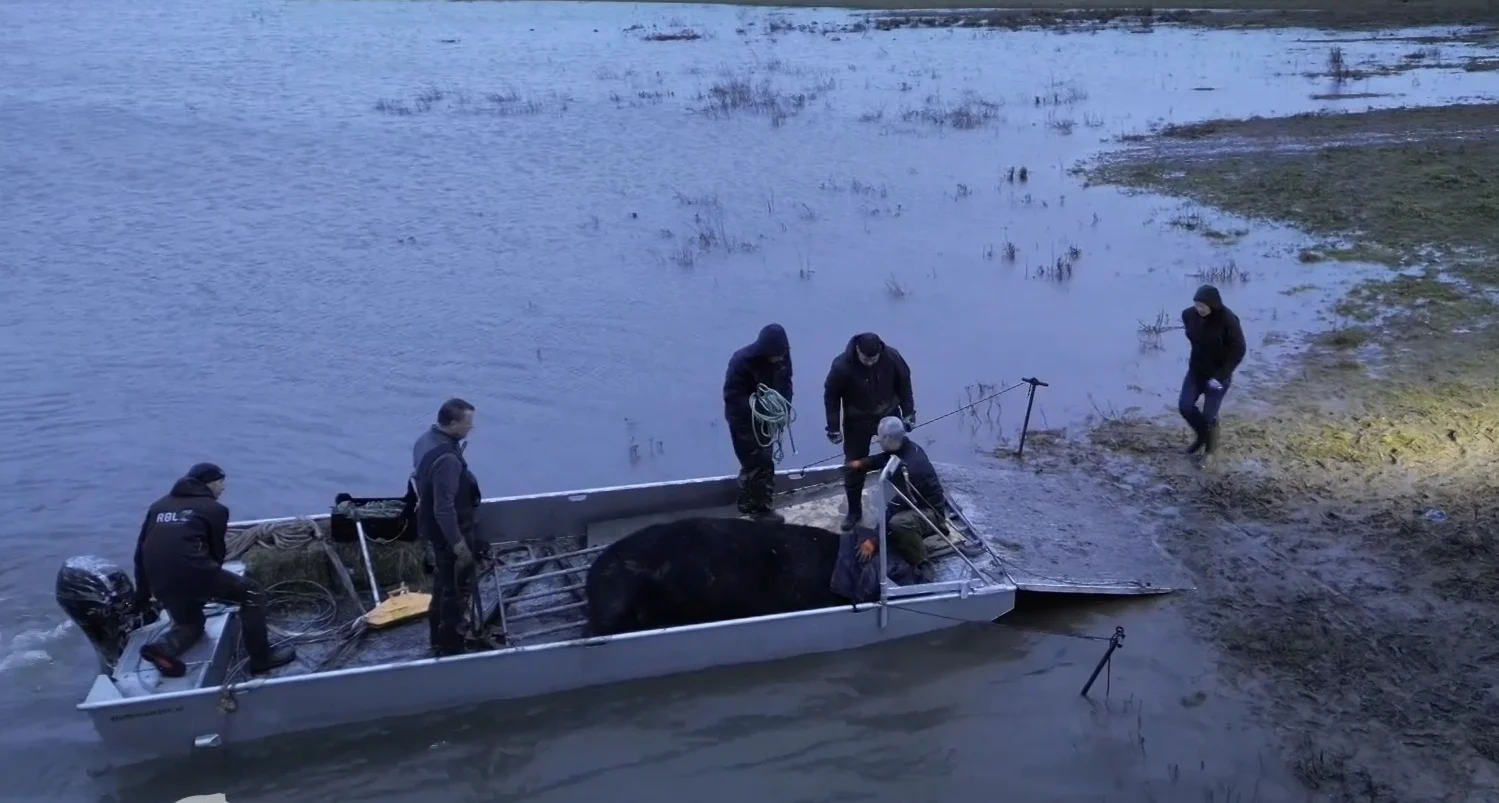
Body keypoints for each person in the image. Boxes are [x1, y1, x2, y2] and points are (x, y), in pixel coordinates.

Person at [133, 463, 296, 678]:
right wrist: (209, 589)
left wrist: (143, 596)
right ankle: (261, 659)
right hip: (196, 573)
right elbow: (216, 553)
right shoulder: (215, 509)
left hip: (160, 580)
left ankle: (162, 648)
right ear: (209, 483)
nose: (223, 489)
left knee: (191, 622)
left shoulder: (158, 506)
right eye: (221, 483)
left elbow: (140, 553)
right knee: (252, 594)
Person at [412, 397, 483, 656]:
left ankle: (436, 634)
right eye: (468, 424)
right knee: (456, 586)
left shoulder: (424, 440)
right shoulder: (448, 461)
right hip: (450, 530)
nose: (470, 429)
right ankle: (451, 643)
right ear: (452, 424)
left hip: (431, 527)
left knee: (442, 582)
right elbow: (444, 507)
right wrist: (459, 545)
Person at [823, 332, 915, 533]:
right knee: (854, 465)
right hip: (857, 421)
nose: (870, 362)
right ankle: (854, 511)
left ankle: (902, 501)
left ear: (880, 351)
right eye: (866, 359)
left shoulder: (892, 357)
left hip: (888, 414)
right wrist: (833, 427)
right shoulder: (841, 366)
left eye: (874, 358)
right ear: (857, 351)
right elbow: (831, 397)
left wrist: (909, 413)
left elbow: (905, 384)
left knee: (898, 459)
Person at [845, 417, 948, 582]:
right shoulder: (906, 447)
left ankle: (922, 562)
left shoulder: (909, 469)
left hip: (930, 513)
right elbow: (887, 458)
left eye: (879, 438)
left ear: (888, 439)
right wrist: (863, 463)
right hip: (917, 502)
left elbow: (894, 507)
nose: (877, 440)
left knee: (898, 523)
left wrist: (873, 540)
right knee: (892, 521)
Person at [722, 324, 793, 523]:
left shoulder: (783, 356)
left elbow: (787, 382)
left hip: (766, 422)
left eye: (782, 355)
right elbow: (732, 396)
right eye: (775, 356)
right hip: (743, 422)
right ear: (764, 351)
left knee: (763, 462)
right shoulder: (741, 362)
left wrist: (784, 408)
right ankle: (756, 508)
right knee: (755, 463)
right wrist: (760, 410)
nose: (780, 359)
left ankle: (753, 505)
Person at [1180, 284, 1246, 457]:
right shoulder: (1188, 315)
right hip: (1196, 371)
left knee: (1209, 417)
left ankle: (1210, 449)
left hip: (1218, 376)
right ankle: (1202, 438)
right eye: (1197, 305)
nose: (1199, 309)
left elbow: (1238, 349)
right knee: (1185, 406)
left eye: (1203, 306)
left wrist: (1221, 375)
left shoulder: (1228, 320)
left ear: (1213, 305)